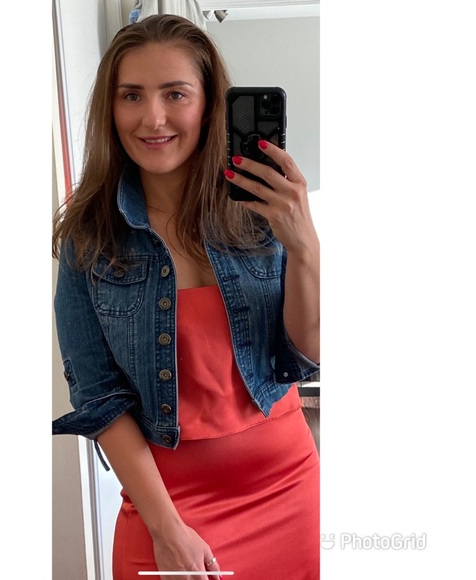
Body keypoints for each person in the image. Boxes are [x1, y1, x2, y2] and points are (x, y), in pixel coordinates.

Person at [52, 14, 320, 580]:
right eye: (131, 95)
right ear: (110, 108)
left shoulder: (260, 213)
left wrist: (304, 245)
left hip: (288, 488)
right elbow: (99, 395)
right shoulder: (90, 238)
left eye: (175, 93)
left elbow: (308, 353)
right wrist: (166, 529)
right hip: (166, 508)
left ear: (209, 105)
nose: (153, 118)